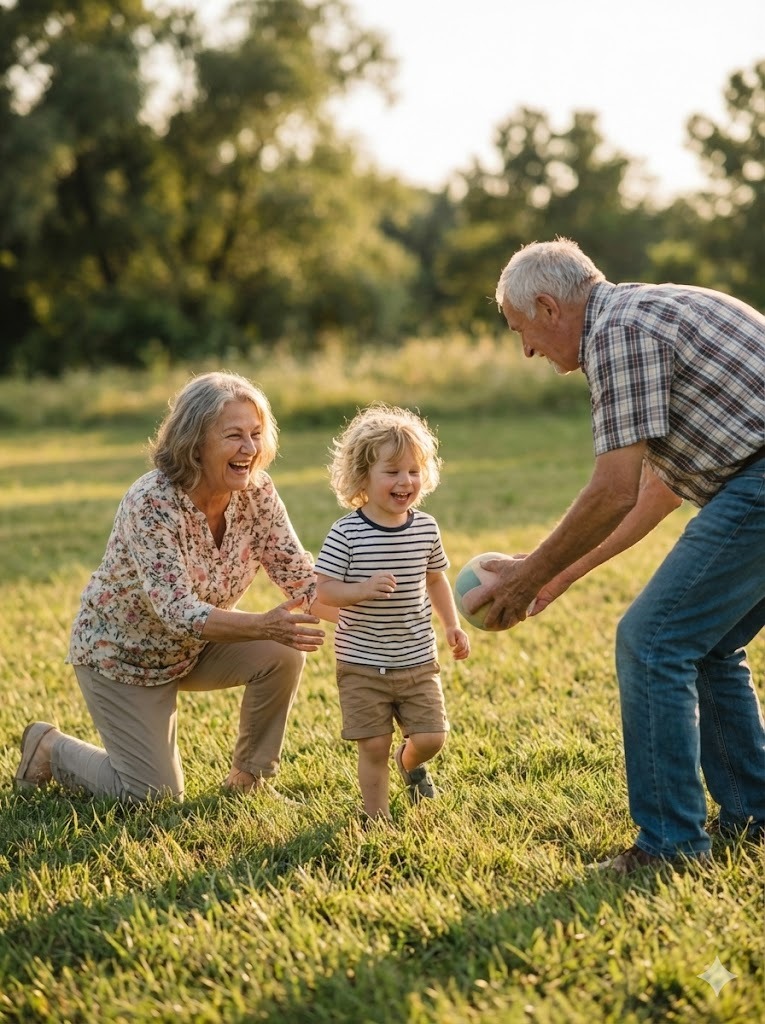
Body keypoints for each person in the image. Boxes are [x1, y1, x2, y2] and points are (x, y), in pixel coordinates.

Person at [464, 237, 765, 872]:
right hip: (751, 479)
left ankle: (671, 848)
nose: (526, 350)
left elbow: (610, 491)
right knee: (705, 643)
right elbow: (656, 491)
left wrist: (526, 575)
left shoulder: (618, 335)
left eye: (523, 331)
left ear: (548, 307)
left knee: (651, 641)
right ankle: (753, 815)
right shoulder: (640, 314)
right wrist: (557, 576)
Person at [14, 371, 336, 803]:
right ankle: (51, 749)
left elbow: (300, 576)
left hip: (195, 648)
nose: (250, 449)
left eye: (257, 434)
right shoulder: (152, 500)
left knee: (283, 652)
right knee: (153, 798)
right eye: (234, 435)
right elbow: (176, 610)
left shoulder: (256, 492)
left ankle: (248, 781)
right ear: (196, 442)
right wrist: (263, 624)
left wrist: (385, 615)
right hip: (123, 656)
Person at [314, 404, 470, 820]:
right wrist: (361, 590)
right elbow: (323, 590)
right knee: (373, 745)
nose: (406, 481)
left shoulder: (425, 528)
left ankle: (409, 761)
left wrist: (452, 625)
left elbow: (435, 579)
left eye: (414, 471)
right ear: (363, 477)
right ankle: (376, 818)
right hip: (362, 663)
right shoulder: (347, 533)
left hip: (417, 658)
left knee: (433, 737)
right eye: (393, 471)